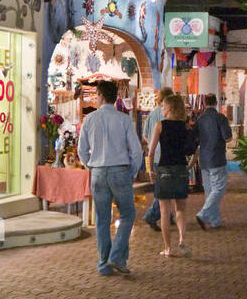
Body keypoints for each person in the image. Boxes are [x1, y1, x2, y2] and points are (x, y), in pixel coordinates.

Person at [76, 79, 144, 276]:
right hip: (120, 171)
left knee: (102, 219)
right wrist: (131, 171)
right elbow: (137, 151)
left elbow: (82, 151)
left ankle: (104, 264)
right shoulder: (124, 120)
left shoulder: (89, 119)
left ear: (101, 96)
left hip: (98, 172)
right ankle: (117, 257)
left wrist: (91, 165)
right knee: (127, 214)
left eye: (96, 95)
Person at [147, 93, 197, 257]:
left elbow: (151, 152)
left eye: (163, 106)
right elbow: (195, 151)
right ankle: (182, 238)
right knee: (180, 209)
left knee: (164, 212)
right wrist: (189, 166)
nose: (161, 108)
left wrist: (150, 171)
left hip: (165, 170)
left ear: (169, 108)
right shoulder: (186, 126)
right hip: (181, 169)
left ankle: (168, 248)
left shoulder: (160, 126)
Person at [194, 94, 233, 229]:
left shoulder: (200, 119)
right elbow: (228, 138)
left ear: (204, 103)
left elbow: (196, 138)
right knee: (218, 189)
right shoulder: (220, 118)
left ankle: (214, 220)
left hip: (204, 159)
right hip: (217, 158)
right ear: (216, 102)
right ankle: (203, 214)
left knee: (209, 191)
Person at [142, 86, 174, 231]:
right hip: (165, 156)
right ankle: (152, 215)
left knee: (162, 187)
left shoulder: (151, 115)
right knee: (164, 189)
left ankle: (169, 215)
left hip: (154, 155)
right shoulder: (168, 114)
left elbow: (145, 136)